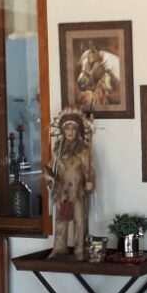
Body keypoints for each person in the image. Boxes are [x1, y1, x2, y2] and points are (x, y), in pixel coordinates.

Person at [45, 107, 96, 259]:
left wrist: (89, 181)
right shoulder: (57, 149)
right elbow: (52, 166)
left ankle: (80, 249)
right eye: (67, 128)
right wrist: (49, 177)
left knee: (80, 219)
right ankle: (59, 247)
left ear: (78, 131)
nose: (70, 132)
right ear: (62, 130)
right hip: (62, 189)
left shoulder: (83, 149)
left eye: (73, 129)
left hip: (77, 189)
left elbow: (88, 168)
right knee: (61, 219)